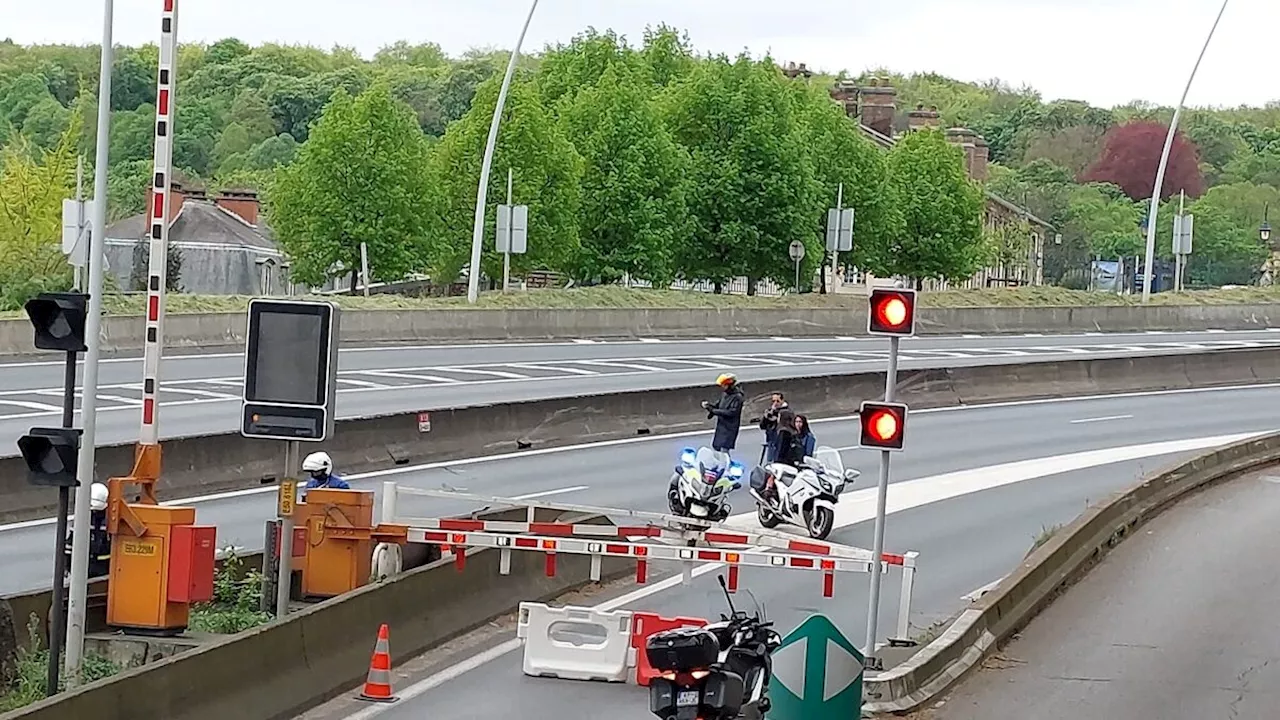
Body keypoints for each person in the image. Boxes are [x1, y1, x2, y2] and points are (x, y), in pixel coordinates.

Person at [65, 483, 111, 578]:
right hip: (84, 567)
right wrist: (66, 565)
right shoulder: (81, 518)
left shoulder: (111, 520)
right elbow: (70, 544)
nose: (95, 512)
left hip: (105, 569)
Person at [701, 373, 744, 455]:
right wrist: (709, 407)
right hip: (721, 426)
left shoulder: (737, 397)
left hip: (730, 428)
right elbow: (718, 406)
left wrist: (714, 411)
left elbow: (732, 412)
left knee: (724, 451)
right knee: (717, 448)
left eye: (725, 385)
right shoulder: (725, 394)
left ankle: (726, 466)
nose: (723, 387)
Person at [758, 392, 789, 463]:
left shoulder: (787, 412)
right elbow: (762, 426)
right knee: (769, 462)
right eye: (773, 401)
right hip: (771, 440)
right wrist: (767, 417)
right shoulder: (770, 411)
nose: (775, 403)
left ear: (782, 401)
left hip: (782, 442)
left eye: (777, 401)